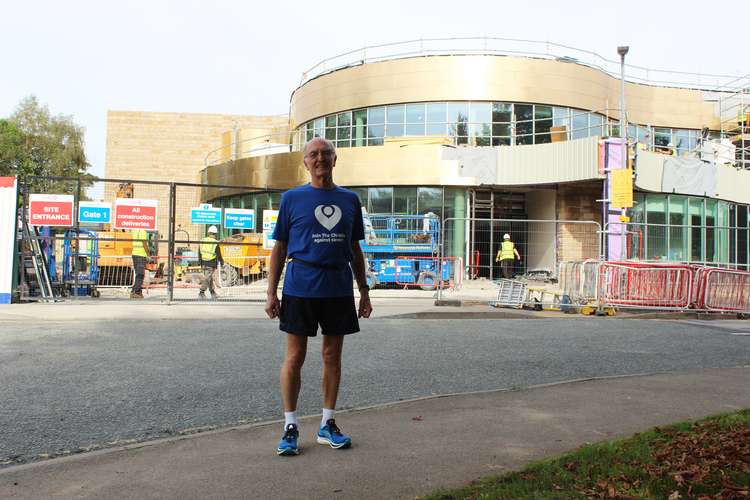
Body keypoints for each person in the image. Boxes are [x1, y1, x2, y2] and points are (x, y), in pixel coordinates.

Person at [265, 137, 373, 456]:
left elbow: (355, 250)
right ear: (305, 162)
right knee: (295, 357)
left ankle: (328, 423)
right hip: (300, 286)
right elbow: (280, 248)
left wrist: (364, 291)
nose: (320, 158)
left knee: (331, 356)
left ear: (335, 160)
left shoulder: (350, 200)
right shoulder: (292, 199)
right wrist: (271, 292)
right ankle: (290, 426)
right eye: (314, 154)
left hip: (338, 287)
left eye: (326, 153)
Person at [199, 225, 223, 299]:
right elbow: (218, 253)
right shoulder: (215, 242)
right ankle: (201, 292)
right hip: (211, 263)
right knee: (207, 278)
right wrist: (221, 262)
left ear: (208, 232)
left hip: (203, 262)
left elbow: (199, 252)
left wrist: (200, 262)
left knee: (210, 278)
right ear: (215, 234)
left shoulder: (203, 240)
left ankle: (213, 293)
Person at [130, 228, 150, 299]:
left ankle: (137, 291)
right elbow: (144, 244)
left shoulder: (135, 231)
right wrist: (148, 254)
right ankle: (135, 291)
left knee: (139, 274)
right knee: (140, 274)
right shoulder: (142, 231)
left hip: (135, 254)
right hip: (140, 255)